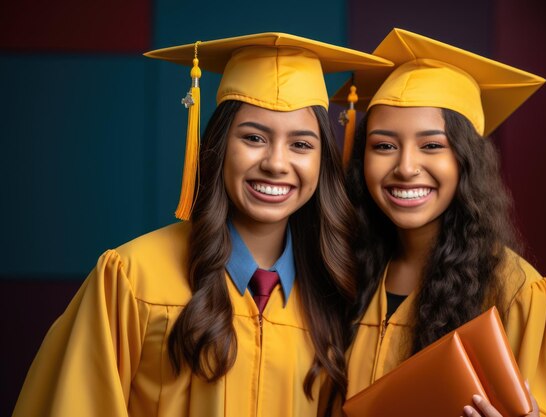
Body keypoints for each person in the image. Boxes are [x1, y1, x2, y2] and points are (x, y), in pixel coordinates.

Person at [12, 33, 392, 417]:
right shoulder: (133, 278)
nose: (276, 163)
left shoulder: (335, 293)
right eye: (254, 138)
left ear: (323, 161)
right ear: (218, 144)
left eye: (301, 144)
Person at [336, 28, 546, 417]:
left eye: (432, 145)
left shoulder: (517, 292)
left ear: (466, 160)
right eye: (384, 145)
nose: (405, 167)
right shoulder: (348, 272)